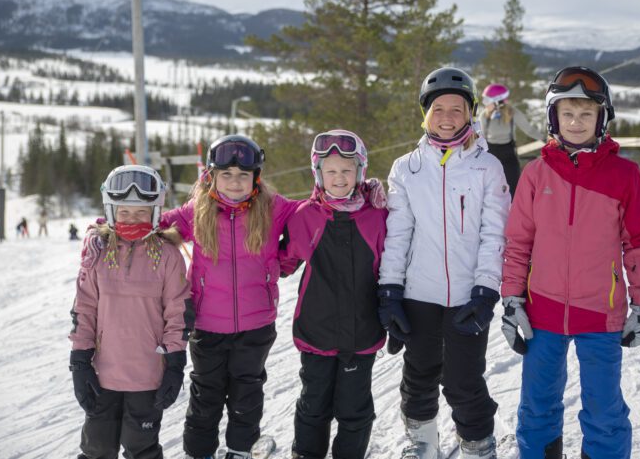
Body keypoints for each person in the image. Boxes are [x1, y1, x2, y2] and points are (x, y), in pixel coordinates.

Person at [500, 66, 640, 459]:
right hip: (542, 312)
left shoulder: (625, 175)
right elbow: (518, 242)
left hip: (600, 313)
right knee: (537, 406)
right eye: (567, 114)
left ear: (601, 119)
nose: (576, 122)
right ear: (554, 118)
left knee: (605, 410)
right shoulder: (536, 174)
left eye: (586, 114)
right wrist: (512, 299)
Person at [377, 67, 512, 459]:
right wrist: (390, 292)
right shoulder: (407, 168)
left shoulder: (487, 167)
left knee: (464, 380)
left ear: (471, 112)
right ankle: (422, 441)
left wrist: (486, 292)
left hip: (469, 296)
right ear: (425, 113)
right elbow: (397, 234)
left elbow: (494, 235)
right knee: (418, 374)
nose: (448, 116)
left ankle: (477, 445)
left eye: (457, 108)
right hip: (419, 293)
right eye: (439, 108)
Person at [161, 135, 299, 459]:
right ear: (211, 176)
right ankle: (199, 453)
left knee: (246, 396)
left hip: (256, 326)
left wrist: (286, 258)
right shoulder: (197, 211)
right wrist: (114, 227)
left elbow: (313, 217)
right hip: (207, 326)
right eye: (226, 175)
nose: (234, 183)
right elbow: (156, 228)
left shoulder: (273, 207)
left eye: (242, 175)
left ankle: (239, 451)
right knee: (205, 397)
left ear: (256, 177)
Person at [68, 164, 192, 459]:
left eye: (141, 212)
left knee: (142, 448)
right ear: (111, 212)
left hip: (148, 376)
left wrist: (175, 364)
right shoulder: (98, 253)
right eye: (124, 212)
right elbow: (84, 309)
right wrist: (80, 361)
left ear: (155, 212)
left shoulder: (168, 256)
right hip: (103, 375)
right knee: (97, 447)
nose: (132, 219)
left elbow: (178, 314)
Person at [279, 130, 388, 459]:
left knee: (354, 409)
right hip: (317, 331)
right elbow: (283, 263)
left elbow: (394, 266)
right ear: (318, 174)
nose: (338, 178)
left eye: (346, 170)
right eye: (330, 171)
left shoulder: (378, 217)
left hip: (362, 331)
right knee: (314, 405)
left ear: (360, 172)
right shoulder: (304, 217)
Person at [479, 83, 546, 198]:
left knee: (514, 188)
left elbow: (529, 130)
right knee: (489, 189)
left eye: (487, 100)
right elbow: (481, 137)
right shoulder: (484, 116)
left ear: (498, 102)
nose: (485, 104)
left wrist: (545, 139)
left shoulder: (512, 113)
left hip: (508, 154)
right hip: (491, 154)